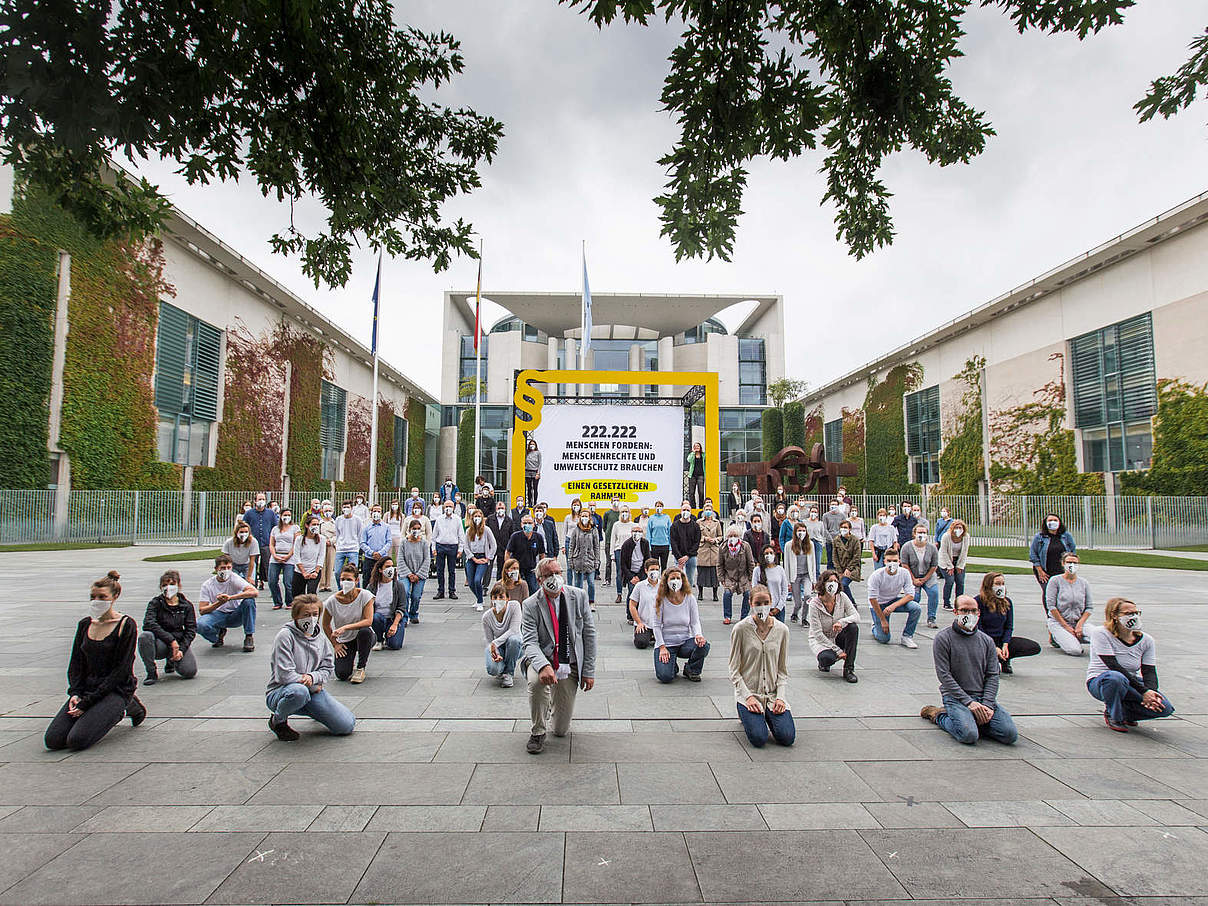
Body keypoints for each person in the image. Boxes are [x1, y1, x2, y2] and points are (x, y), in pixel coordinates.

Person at [46, 570, 145, 751]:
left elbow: (121, 670)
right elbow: (75, 664)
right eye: (93, 597)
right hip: (88, 688)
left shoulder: (125, 625)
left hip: (115, 688)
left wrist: (87, 703)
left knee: (77, 740)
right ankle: (99, 708)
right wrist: (75, 693)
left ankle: (126, 704)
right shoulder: (85, 624)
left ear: (115, 597)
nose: (96, 601)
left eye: (102, 597)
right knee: (54, 740)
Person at [521, 558, 597, 754]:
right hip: (542, 659)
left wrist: (588, 671)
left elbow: (589, 635)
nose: (554, 578)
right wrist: (543, 666)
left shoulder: (578, 596)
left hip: (569, 661)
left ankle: (554, 704)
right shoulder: (530, 604)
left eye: (558, 572)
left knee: (561, 730)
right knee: (537, 683)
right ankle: (537, 730)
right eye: (548, 575)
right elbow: (529, 642)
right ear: (539, 580)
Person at [920, 595, 1018, 746]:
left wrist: (987, 704)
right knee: (968, 735)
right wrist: (969, 703)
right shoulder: (943, 638)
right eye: (964, 610)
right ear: (956, 612)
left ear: (979, 613)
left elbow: (993, 675)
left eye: (973, 611)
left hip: (982, 696)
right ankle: (939, 715)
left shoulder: (987, 641)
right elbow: (944, 675)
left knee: (1009, 734)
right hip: (956, 698)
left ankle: (974, 720)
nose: (969, 615)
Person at [266, 595, 356, 741]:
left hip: (312, 691)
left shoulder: (319, 636)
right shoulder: (285, 636)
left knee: (346, 725)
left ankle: (315, 711)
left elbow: (327, 667)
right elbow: (284, 674)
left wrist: (313, 677)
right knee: (299, 692)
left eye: (315, 614)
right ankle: (278, 720)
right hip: (283, 691)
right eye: (306, 615)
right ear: (296, 616)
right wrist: (310, 683)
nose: (312, 618)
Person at [1087, 597, 1175, 732]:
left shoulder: (1147, 640)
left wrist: (1151, 692)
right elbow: (1113, 665)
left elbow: (1149, 671)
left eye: (1136, 613)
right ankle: (1113, 714)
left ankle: (1124, 712)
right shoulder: (1101, 633)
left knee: (1164, 707)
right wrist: (1143, 691)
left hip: (1130, 682)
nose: (1133, 616)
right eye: (1128, 614)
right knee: (1116, 678)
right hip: (1102, 681)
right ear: (1115, 616)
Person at [728, 585, 794, 748]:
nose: (762, 606)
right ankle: (745, 712)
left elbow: (782, 669)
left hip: (772, 694)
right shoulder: (741, 629)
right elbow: (734, 669)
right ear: (750, 603)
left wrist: (780, 696)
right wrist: (747, 696)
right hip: (750, 693)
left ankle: (769, 714)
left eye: (766, 602)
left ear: (771, 603)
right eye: (758, 603)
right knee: (759, 738)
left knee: (786, 737)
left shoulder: (782, 630)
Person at [139, 570, 198, 684]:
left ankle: (171, 661)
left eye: (172, 584)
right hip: (160, 641)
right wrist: (171, 640)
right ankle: (151, 671)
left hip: (179, 641)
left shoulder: (186, 605)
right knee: (145, 636)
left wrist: (182, 648)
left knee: (189, 671)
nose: (168, 587)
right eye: (164, 585)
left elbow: (191, 629)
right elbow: (148, 623)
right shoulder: (155, 603)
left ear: (178, 586)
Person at [975, 573, 1040, 675]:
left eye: (1002, 584)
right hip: (984, 640)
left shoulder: (1007, 602)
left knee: (1033, 647)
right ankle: (991, 659)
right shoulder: (978, 601)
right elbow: (978, 627)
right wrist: (993, 646)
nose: (1000, 586)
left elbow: (1009, 626)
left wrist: (1005, 644)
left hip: (1000, 638)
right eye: (997, 584)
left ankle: (1005, 659)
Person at [652, 566, 709, 681]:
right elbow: (656, 626)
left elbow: (694, 621)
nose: (675, 581)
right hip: (666, 643)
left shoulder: (690, 598)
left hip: (684, 641)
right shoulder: (660, 600)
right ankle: (672, 665)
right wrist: (662, 647)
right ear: (666, 581)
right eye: (672, 579)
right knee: (665, 677)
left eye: (678, 578)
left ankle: (692, 669)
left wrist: (698, 635)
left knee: (704, 646)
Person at [323, 563, 376, 684]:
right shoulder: (332, 601)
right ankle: (349, 660)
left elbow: (368, 620)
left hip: (362, 636)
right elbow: (325, 625)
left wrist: (345, 627)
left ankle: (361, 667)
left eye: (349, 579)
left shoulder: (365, 595)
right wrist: (335, 644)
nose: (345, 582)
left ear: (356, 580)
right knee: (342, 674)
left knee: (365, 631)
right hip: (345, 640)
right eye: (342, 579)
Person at [196, 554, 259, 651]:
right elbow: (202, 610)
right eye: (223, 568)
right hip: (218, 614)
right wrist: (219, 603)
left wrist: (231, 598)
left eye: (229, 567)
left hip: (236, 614)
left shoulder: (234, 578)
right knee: (200, 624)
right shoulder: (207, 585)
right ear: (216, 569)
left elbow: (254, 592)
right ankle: (216, 637)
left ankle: (249, 636)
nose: (226, 570)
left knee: (249, 601)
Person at [806, 571, 860, 683]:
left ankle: (848, 669)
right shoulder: (814, 604)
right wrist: (838, 651)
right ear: (823, 583)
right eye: (830, 581)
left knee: (853, 628)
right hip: (821, 640)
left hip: (837, 634)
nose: (833, 584)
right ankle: (824, 663)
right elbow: (817, 634)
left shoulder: (842, 597)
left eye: (835, 581)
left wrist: (842, 621)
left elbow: (856, 616)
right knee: (827, 658)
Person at [867, 550, 920, 649]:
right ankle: (875, 626)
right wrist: (882, 620)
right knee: (884, 639)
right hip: (879, 604)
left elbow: (910, 595)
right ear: (884, 561)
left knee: (916, 607)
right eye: (889, 560)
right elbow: (873, 599)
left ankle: (907, 636)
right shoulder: (876, 575)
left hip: (893, 600)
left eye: (895, 561)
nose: (892, 563)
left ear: (899, 561)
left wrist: (893, 606)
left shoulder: (904, 573)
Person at [1045, 552, 1092, 655]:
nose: (1072, 565)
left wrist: (1079, 625)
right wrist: (1066, 626)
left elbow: (1089, 607)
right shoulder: (1055, 581)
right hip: (1059, 622)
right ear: (1063, 563)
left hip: (1077, 621)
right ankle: (1057, 637)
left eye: (1075, 563)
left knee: (1098, 636)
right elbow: (1051, 606)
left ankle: (1073, 637)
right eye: (1069, 562)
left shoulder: (1084, 583)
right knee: (1075, 650)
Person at [1030, 513, 1077, 604]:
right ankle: (1050, 614)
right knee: (1048, 592)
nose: (1053, 522)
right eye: (1050, 520)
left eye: (1055, 520)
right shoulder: (1039, 537)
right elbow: (1033, 554)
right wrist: (1040, 571)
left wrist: (1070, 569)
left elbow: (1072, 551)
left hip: (1062, 570)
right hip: (1045, 571)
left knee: (1063, 593)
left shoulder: (1066, 536)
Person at [483, 581, 523, 686]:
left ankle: (509, 672)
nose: (498, 600)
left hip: (515, 645)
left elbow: (514, 630)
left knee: (514, 640)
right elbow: (489, 641)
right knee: (493, 669)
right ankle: (502, 667)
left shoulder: (515, 606)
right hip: (499, 647)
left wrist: (495, 643)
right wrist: (495, 652)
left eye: (501, 597)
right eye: (495, 597)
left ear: (507, 598)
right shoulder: (487, 617)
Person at [901, 523, 941, 629]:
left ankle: (931, 618)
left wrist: (925, 579)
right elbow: (904, 564)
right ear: (914, 533)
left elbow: (934, 565)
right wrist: (913, 579)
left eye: (924, 532)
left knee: (934, 593)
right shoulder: (907, 546)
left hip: (928, 575)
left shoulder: (932, 548)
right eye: (919, 532)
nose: (921, 534)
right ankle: (913, 618)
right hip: (913, 575)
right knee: (915, 597)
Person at [366, 557, 406, 651]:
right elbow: (367, 606)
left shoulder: (398, 585)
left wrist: (395, 624)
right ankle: (379, 639)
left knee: (395, 645)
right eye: (387, 566)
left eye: (392, 566)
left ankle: (389, 637)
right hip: (378, 618)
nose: (390, 569)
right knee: (376, 617)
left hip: (392, 619)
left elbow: (402, 606)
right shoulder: (372, 586)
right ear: (380, 570)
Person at [719, 526, 756, 625]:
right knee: (727, 593)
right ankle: (727, 616)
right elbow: (719, 564)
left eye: (735, 535)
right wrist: (721, 578)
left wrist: (751, 578)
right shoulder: (723, 547)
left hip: (743, 575)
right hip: (729, 576)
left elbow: (751, 562)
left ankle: (744, 616)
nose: (733, 537)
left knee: (748, 594)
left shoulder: (746, 546)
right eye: (730, 536)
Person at [463, 507, 498, 611]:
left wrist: (488, 558)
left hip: (483, 557)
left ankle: (479, 602)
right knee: (470, 581)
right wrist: (473, 558)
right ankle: (479, 598)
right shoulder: (469, 530)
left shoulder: (487, 530)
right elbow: (466, 546)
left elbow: (493, 545)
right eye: (475, 516)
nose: (477, 518)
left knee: (477, 580)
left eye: (479, 516)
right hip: (472, 558)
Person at [431, 498, 467, 600]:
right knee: (440, 570)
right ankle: (440, 591)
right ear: (443, 507)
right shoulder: (439, 519)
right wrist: (433, 548)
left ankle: (452, 591)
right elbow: (434, 536)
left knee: (452, 570)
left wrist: (460, 549)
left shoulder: (457, 519)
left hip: (452, 546)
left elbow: (461, 535)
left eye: (450, 506)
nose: (448, 508)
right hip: (440, 546)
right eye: (446, 506)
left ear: (454, 508)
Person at [265, 506, 300, 611]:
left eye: (289, 515)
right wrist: (275, 555)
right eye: (285, 515)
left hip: (289, 557)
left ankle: (290, 601)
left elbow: (296, 543)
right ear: (280, 516)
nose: (287, 517)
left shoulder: (295, 528)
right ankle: (277, 601)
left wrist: (289, 555)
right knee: (272, 580)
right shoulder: (275, 529)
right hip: (276, 556)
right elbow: (271, 544)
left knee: (288, 581)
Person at [397, 519, 431, 624]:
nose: (416, 530)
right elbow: (400, 559)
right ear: (409, 529)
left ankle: (413, 613)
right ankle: (404, 616)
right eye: (414, 528)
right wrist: (409, 574)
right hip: (405, 573)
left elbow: (427, 559)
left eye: (418, 529)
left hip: (419, 573)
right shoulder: (404, 542)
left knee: (416, 595)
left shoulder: (424, 543)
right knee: (405, 592)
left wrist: (418, 574)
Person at [506, 513, 546, 597]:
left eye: (529, 523)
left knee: (533, 590)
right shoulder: (515, 536)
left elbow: (542, 554)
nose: (527, 525)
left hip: (531, 569)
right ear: (521, 524)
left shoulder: (538, 537)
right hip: (516, 569)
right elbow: (508, 552)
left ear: (533, 524)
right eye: (525, 523)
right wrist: (508, 566)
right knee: (515, 589)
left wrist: (541, 569)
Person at [566, 507, 600, 608]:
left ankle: (591, 602)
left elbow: (596, 546)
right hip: (578, 560)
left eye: (586, 516)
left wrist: (597, 560)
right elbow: (572, 545)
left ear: (590, 518)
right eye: (583, 516)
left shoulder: (594, 530)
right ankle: (578, 602)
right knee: (578, 583)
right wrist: (570, 560)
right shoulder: (576, 530)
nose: (584, 518)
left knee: (591, 582)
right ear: (580, 517)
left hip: (590, 560)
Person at [244, 494, 278, 588]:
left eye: (263, 499)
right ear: (255, 501)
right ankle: (253, 582)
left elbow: (275, 527)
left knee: (266, 563)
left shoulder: (270, 513)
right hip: (252, 543)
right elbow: (244, 525)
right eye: (259, 499)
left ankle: (266, 581)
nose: (261, 501)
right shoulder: (249, 513)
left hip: (266, 543)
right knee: (253, 563)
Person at [786, 521, 817, 622]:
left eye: (803, 531)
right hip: (795, 576)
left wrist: (814, 580)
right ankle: (795, 614)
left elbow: (813, 563)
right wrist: (787, 582)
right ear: (795, 532)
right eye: (799, 530)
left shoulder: (810, 544)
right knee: (798, 602)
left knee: (808, 595)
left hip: (806, 575)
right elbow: (787, 564)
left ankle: (804, 618)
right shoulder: (789, 545)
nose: (801, 533)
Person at [619, 523, 653, 614]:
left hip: (641, 572)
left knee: (643, 595)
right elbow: (623, 563)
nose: (637, 533)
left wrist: (640, 575)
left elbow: (647, 560)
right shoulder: (626, 544)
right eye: (635, 531)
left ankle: (641, 613)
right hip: (631, 573)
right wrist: (631, 577)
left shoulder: (645, 543)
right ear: (631, 532)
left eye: (639, 531)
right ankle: (630, 614)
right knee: (632, 594)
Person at [937, 518, 969, 612]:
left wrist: (960, 565)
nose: (958, 529)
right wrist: (949, 566)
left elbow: (964, 552)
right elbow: (943, 552)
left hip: (958, 560)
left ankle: (959, 603)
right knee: (950, 581)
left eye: (960, 527)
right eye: (956, 527)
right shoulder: (946, 536)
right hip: (945, 561)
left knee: (960, 581)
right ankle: (946, 603)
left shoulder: (966, 537)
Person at [628, 558, 661, 648]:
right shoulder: (640, 586)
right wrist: (639, 622)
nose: (654, 572)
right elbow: (632, 605)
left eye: (657, 569)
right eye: (652, 569)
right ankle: (648, 635)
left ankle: (655, 635)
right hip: (644, 623)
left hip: (660, 624)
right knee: (641, 643)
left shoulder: (664, 586)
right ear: (646, 571)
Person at [358, 503, 393, 589]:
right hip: (369, 558)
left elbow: (388, 542)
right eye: (374, 511)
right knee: (367, 580)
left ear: (381, 513)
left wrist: (380, 553)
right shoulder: (366, 527)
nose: (376, 513)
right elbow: (362, 542)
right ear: (371, 513)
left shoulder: (387, 527)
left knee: (383, 580)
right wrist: (372, 552)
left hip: (382, 558)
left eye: (378, 511)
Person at [830, 518, 862, 606]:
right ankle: (841, 603)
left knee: (844, 583)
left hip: (853, 567)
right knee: (837, 585)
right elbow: (834, 556)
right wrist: (839, 571)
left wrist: (849, 569)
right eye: (842, 527)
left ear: (849, 529)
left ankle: (851, 602)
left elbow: (857, 556)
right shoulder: (836, 540)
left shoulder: (855, 540)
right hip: (840, 567)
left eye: (845, 527)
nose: (843, 529)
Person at [753, 544, 788, 623]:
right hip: (762, 608)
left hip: (778, 608)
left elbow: (784, 590)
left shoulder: (780, 570)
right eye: (766, 553)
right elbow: (754, 589)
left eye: (771, 553)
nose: (769, 555)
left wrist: (779, 607)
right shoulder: (757, 570)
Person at [293, 514, 325, 597]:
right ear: (307, 525)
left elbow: (321, 556)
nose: (316, 526)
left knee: (311, 593)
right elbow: (296, 556)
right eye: (314, 524)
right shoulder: (299, 539)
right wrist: (303, 572)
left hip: (314, 571)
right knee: (298, 596)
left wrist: (316, 571)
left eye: (318, 524)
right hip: (300, 571)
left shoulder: (322, 539)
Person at [670, 501, 701, 587]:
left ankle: (688, 599)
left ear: (691, 512)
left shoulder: (695, 526)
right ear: (680, 511)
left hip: (691, 557)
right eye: (684, 509)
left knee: (689, 581)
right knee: (678, 581)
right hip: (678, 558)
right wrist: (679, 557)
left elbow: (696, 542)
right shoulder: (675, 526)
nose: (685, 512)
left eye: (688, 510)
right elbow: (673, 542)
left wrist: (688, 556)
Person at [696, 504, 722, 602]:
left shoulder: (717, 522)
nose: (708, 511)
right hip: (703, 550)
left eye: (709, 509)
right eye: (706, 509)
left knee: (714, 573)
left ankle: (715, 594)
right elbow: (696, 535)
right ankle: (700, 593)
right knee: (701, 572)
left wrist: (715, 540)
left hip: (713, 550)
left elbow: (720, 536)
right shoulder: (699, 522)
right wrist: (704, 538)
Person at [609, 505, 634, 603]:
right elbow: (613, 539)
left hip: (630, 551)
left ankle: (630, 593)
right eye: (623, 512)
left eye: (626, 511)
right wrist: (612, 553)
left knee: (630, 572)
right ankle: (619, 594)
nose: (625, 514)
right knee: (619, 572)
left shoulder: (633, 525)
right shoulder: (616, 525)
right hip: (619, 550)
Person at [334, 501, 363, 580]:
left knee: (354, 572)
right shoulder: (338, 519)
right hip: (340, 549)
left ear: (352, 508)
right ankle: (341, 589)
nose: (346, 509)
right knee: (337, 572)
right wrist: (338, 545)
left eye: (348, 507)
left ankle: (356, 589)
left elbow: (360, 534)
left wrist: (358, 547)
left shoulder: (357, 520)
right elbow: (337, 534)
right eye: (344, 507)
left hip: (353, 549)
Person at [489, 501, 514, 581]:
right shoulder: (490, 519)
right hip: (491, 547)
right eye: (499, 508)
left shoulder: (509, 521)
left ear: (505, 509)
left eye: (502, 508)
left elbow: (511, 535)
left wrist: (509, 548)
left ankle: (499, 584)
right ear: (496, 509)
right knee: (488, 568)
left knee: (501, 567)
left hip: (503, 547)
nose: (500, 510)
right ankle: (484, 586)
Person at [646, 501, 673, 570]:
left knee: (664, 566)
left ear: (663, 508)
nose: (659, 508)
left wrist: (670, 546)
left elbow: (670, 532)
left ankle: (663, 580)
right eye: (657, 506)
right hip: (654, 545)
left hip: (665, 545)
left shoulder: (667, 518)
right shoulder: (651, 518)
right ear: (655, 508)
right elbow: (649, 533)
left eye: (660, 506)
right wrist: (649, 546)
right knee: (654, 566)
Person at [822, 499, 846, 569]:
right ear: (829, 505)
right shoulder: (825, 516)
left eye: (835, 504)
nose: (834, 506)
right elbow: (825, 529)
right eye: (832, 504)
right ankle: (830, 576)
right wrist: (831, 539)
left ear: (838, 506)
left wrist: (839, 537)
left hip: (840, 540)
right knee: (830, 560)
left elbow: (844, 527)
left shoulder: (842, 515)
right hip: (829, 541)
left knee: (839, 559)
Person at [319, 503, 337, 591]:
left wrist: (332, 541)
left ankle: (328, 584)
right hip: (322, 545)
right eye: (326, 511)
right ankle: (321, 584)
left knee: (330, 564)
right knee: (322, 564)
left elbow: (337, 534)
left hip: (331, 545)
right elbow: (317, 533)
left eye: (330, 511)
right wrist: (323, 540)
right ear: (322, 511)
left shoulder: (335, 523)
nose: (328, 512)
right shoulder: (319, 523)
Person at [803, 506, 826, 577]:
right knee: (807, 561)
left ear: (818, 513)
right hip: (808, 542)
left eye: (815, 512)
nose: (813, 513)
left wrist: (822, 543)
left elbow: (822, 534)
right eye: (812, 511)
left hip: (817, 543)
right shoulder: (804, 522)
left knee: (817, 562)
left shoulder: (820, 523)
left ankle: (817, 579)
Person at [686, 442, 706, 508]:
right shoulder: (692, 455)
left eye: (698, 446)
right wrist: (693, 453)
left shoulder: (703, 455)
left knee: (701, 492)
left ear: (700, 447)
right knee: (691, 493)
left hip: (701, 475)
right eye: (695, 446)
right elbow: (689, 460)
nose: (696, 447)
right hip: (692, 475)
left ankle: (701, 506)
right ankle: (693, 507)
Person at [524, 438, 541, 506]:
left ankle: (535, 502)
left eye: (533, 444)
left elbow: (540, 463)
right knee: (529, 488)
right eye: (531, 444)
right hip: (527, 472)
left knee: (535, 488)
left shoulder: (538, 453)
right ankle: (530, 503)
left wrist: (538, 473)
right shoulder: (527, 452)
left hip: (535, 472)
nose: (532, 445)